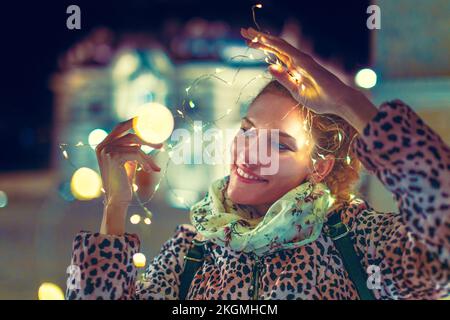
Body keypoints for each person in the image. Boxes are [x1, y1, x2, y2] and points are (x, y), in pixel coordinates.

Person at [66, 27, 449, 300]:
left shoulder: (358, 244)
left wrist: (349, 105)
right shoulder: (190, 253)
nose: (250, 152)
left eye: (279, 145)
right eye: (248, 130)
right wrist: (114, 207)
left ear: (319, 167)